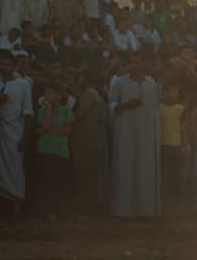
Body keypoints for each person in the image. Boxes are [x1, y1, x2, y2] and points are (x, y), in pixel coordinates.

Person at [109, 52, 161, 218]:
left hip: (147, 133)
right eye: (131, 63)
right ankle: (124, 211)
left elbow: (155, 108)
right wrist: (125, 105)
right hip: (126, 131)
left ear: (143, 64)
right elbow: (111, 105)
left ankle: (146, 211)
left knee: (146, 168)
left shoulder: (151, 84)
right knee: (126, 167)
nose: (134, 66)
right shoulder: (120, 83)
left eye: (138, 63)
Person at [0, 50, 33, 215]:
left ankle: (17, 209)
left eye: (7, 64)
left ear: (14, 66)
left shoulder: (23, 84)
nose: (4, 67)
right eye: (1, 64)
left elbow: (28, 113)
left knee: (16, 171)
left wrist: (25, 138)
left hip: (15, 134)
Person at [32, 83, 74, 218]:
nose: (47, 95)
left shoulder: (66, 110)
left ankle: (58, 211)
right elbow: (43, 126)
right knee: (45, 182)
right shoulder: (42, 110)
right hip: (45, 150)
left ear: (58, 96)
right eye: (46, 93)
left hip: (61, 151)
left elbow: (67, 130)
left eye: (50, 93)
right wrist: (48, 109)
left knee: (59, 182)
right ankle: (46, 212)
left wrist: (47, 131)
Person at [71, 68, 109, 216]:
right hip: (94, 136)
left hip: (88, 137)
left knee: (87, 173)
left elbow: (79, 116)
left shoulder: (89, 93)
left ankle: (88, 207)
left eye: (80, 76)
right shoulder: (96, 93)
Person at [159, 83, 185, 212]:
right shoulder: (159, 108)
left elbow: (184, 128)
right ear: (164, 92)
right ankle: (163, 203)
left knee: (175, 175)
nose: (173, 94)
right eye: (171, 91)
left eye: (176, 91)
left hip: (176, 145)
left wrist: (185, 145)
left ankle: (174, 205)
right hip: (163, 145)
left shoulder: (181, 108)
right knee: (164, 175)